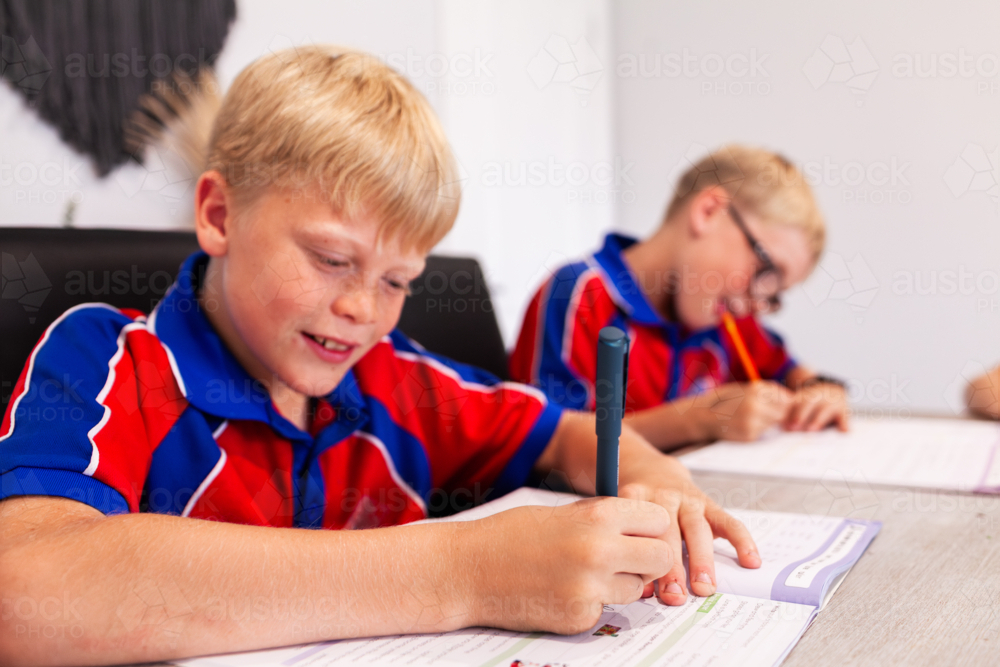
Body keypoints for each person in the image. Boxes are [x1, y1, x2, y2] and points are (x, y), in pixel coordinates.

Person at [0, 47, 760, 666]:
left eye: (398, 280)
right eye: (332, 259)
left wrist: (661, 481)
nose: (365, 309)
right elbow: (22, 590)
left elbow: (565, 429)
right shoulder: (105, 359)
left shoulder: (395, 379)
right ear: (219, 214)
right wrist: (462, 571)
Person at [509, 146, 850, 450]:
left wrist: (821, 391)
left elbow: (791, 372)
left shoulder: (728, 317)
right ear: (709, 212)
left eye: (774, 296)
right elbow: (552, 450)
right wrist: (696, 419)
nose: (758, 304)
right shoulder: (580, 297)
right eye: (765, 272)